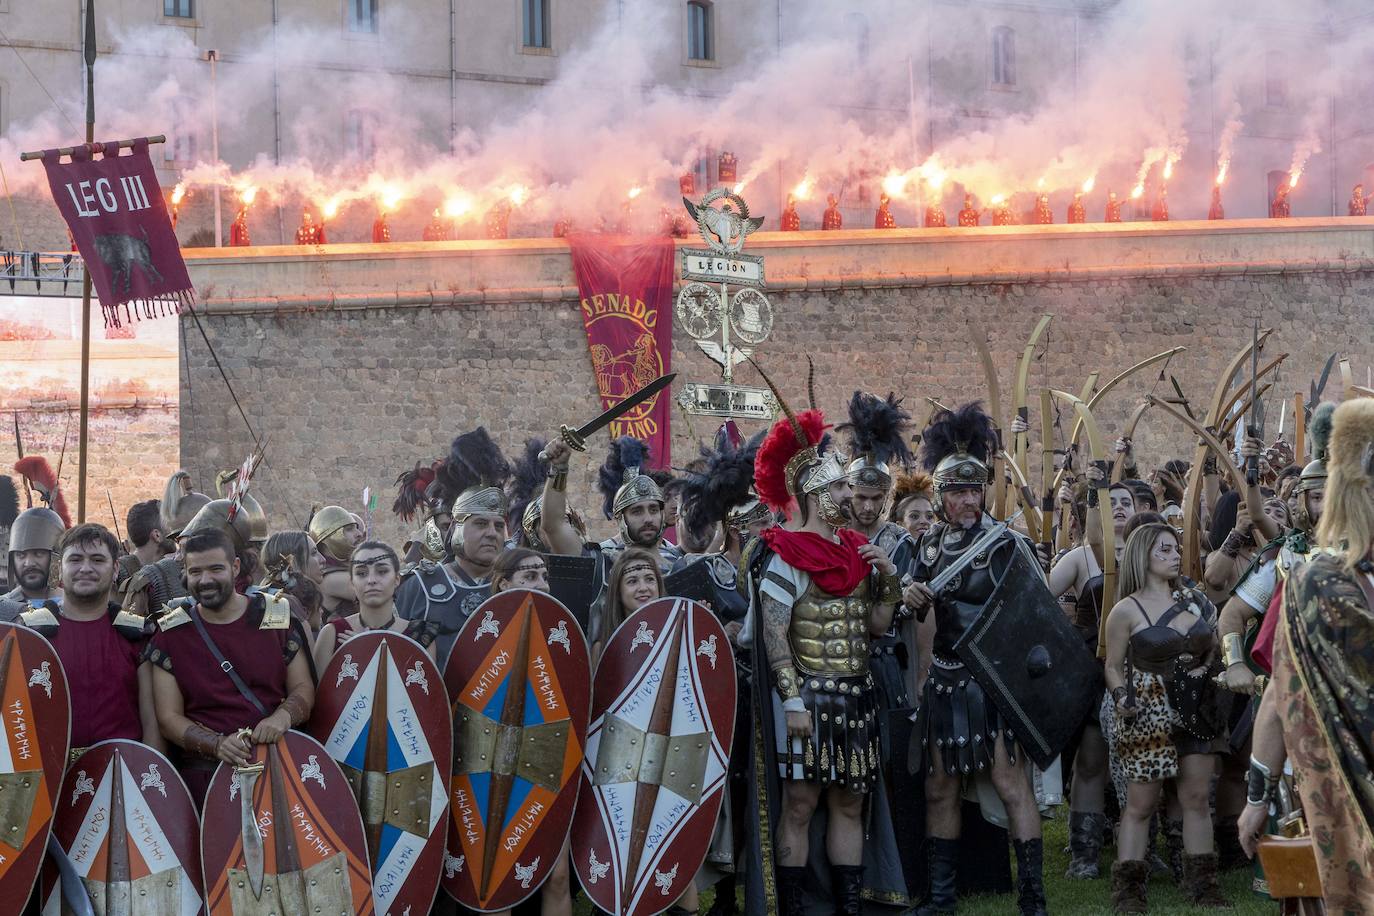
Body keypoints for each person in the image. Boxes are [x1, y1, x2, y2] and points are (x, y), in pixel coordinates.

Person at [744, 389, 902, 916]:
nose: (848, 491)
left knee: (850, 803)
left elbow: (876, 626)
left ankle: (849, 908)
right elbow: (774, 635)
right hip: (807, 698)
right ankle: (793, 908)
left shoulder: (858, 552)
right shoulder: (784, 554)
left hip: (856, 695)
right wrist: (790, 699)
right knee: (801, 803)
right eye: (837, 484)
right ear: (814, 494)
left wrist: (889, 581)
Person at [902, 402, 1051, 916]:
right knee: (940, 788)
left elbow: (1036, 617)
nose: (968, 499)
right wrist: (912, 601)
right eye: (957, 491)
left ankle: (1032, 899)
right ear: (940, 496)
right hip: (945, 682)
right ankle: (942, 900)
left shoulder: (1006, 544)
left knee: (1012, 786)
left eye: (974, 489)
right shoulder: (923, 550)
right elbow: (919, 628)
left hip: (994, 683)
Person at [1238, 397, 1374, 913]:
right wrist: (1257, 796)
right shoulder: (1308, 576)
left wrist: (1255, 800)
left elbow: (1280, 694)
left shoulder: (1313, 580)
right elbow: (1279, 690)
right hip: (1333, 795)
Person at [1103, 523, 1228, 912]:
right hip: (1149, 712)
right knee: (1141, 804)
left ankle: (1203, 886)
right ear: (1143, 555)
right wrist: (1122, 696)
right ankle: (1128, 891)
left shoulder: (1195, 600)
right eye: (1164, 550)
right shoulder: (1125, 609)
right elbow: (1112, 665)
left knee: (1195, 797)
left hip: (1200, 709)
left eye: (1175, 549)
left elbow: (1215, 644)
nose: (1175, 556)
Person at [146, 528, 314, 805]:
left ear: (235, 567)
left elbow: (303, 687)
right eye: (196, 571)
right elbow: (168, 717)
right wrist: (217, 745)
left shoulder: (274, 617)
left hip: (276, 768)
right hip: (205, 780)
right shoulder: (171, 633)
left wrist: (281, 718)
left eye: (215, 569)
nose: (205, 580)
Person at [21, 523, 162, 755]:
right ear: (59, 568)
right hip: (49, 778)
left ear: (115, 568)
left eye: (97, 560)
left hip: (121, 774)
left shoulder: (138, 635)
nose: (85, 568)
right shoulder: (29, 633)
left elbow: (151, 723)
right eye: (75, 559)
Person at [396, 428, 510, 668]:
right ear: (456, 529)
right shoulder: (419, 587)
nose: (492, 532)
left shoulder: (517, 585)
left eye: (498, 525)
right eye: (480, 524)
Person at [540, 435, 682, 575]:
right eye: (637, 511)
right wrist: (559, 468)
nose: (648, 519)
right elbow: (554, 526)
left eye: (653, 510)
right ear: (620, 517)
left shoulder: (683, 568)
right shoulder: (601, 567)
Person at [312, 541, 439, 672]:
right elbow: (322, 691)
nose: (371, 580)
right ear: (352, 583)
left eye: (382, 571)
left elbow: (425, 690)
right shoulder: (333, 634)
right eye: (361, 573)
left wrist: (368, 652)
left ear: (396, 579)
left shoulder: (420, 636)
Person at [3, 505, 65, 616]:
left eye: (38, 554)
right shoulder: (3, 608)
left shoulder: (74, 606)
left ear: (56, 556)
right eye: (21, 555)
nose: (29, 563)